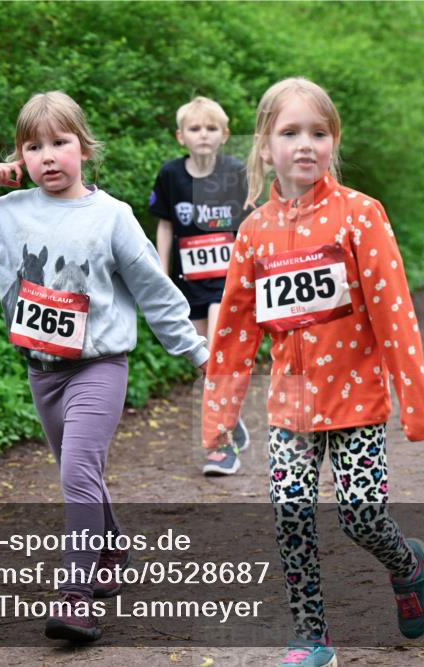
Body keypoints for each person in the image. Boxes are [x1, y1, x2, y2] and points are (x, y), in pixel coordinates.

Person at [0, 91, 209, 644]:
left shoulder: (112, 217)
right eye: (33, 147)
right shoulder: (7, 213)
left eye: (60, 143)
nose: (48, 156)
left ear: (84, 148)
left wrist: (198, 353)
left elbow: (154, 291)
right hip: (42, 371)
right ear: (20, 157)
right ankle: (111, 548)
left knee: (76, 472)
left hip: (98, 366)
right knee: (80, 472)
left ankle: (76, 596)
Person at [200, 78, 424, 666]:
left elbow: (394, 315)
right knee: (291, 517)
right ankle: (312, 638)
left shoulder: (360, 215)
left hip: (357, 399)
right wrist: (219, 417)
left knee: (362, 518)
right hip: (293, 407)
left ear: (334, 141)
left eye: (318, 132)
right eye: (290, 133)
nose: (305, 144)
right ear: (264, 146)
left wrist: (415, 405)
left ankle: (407, 563)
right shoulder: (254, 232)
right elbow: (234, 332)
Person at [150, 96, 252, 475]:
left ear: (224, 134)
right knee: (203, 360)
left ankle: (221, 446)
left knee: (218, 353)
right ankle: (230, 418)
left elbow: (251, 223)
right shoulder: (171, 175)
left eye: (211, 128)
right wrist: (161, 275)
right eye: (195, 129)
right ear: (181, 137)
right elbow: (165, 225)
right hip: (187, 281)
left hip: (228, 280)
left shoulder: (235, 172)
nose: (203, 135)